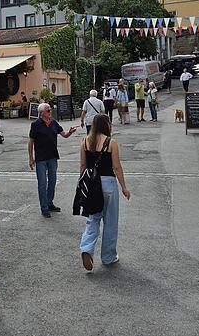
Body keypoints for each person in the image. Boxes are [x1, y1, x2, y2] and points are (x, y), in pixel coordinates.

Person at [78, 114, 130, 271]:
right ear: (106, 125)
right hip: (108, 183)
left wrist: (81, 185)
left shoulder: (85, 141)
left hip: (92, 184)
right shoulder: (111, 143)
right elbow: (116, 167)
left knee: (93, 218)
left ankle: (87, 248)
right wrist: (124, 187)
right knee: (111, 221)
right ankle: (108, 257)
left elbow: (82, 165)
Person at [28, 102, 78, 217]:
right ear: (42, 113)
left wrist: (69, 132)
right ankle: (44, 207)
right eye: (48, 110)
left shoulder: (54, 122)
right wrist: (31, 158)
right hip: (40, 158)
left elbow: (63, 134)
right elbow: (31, 142)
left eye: (50, 110)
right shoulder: (35, 124)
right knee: (42, 183)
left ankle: (49, 203)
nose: (50, 112)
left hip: (52, 157)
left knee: (52, 181)